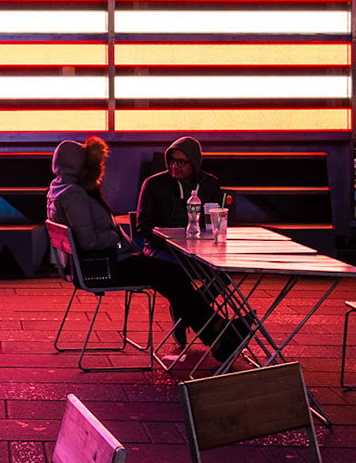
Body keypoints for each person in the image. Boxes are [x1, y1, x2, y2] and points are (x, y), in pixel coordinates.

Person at [48, 136, 225, 364]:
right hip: (104, 265)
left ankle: (215, 331)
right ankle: (217, 331)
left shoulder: (61, 189)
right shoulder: (74, 194)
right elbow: (90, 241)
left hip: (102, 262)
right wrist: (116, 237)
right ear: (76, 165)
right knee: (170, 274)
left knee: (172, 275)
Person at [133, 136, 222, 239]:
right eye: (172, 160)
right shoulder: (154, 184)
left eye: (181, 162)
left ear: (194, 163)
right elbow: (143, 227)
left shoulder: (209, 184)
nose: (174, 166)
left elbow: (219, 223)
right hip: (162, 247)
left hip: (201, 243)